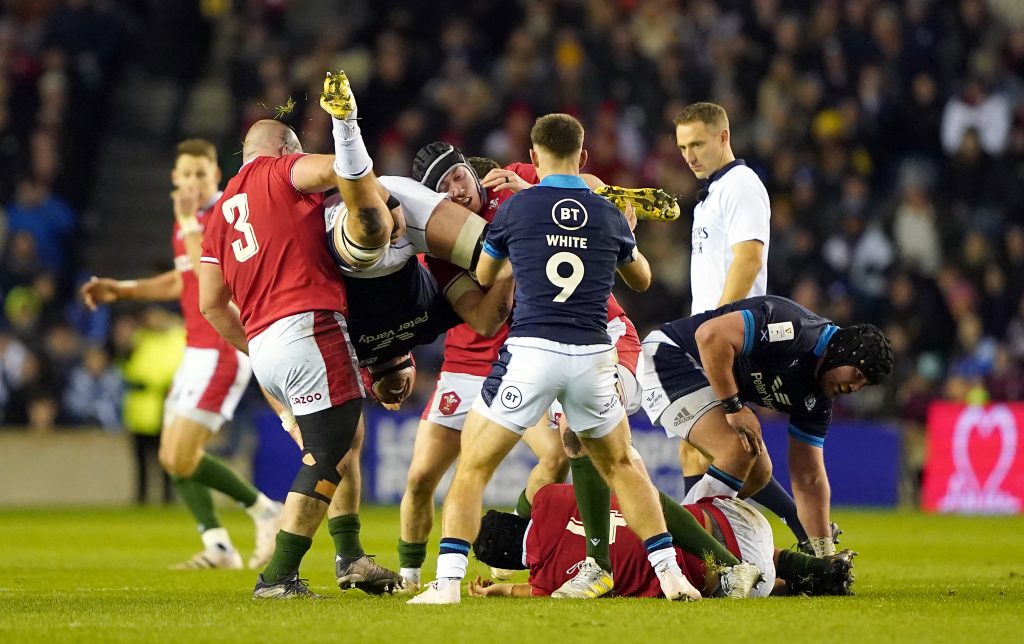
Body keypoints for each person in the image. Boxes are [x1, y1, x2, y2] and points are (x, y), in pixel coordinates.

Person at [409, 113, 760, 604]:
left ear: (531, 158)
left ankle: (450, 583)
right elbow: (641, 278)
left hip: (544, 348)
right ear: (584, 156)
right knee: (610, 459)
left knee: (478, 466)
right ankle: (660, 573)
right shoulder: (605, 210)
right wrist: (617, 237)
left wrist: (520, 253)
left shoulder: (516, 206)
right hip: (595, 351)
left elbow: (486, 276)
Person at [398, 143, 650, 598]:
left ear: (475, 175)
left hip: (546, 349)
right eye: (443, 187)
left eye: (459, 177)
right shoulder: (435, 243)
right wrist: (520, 249)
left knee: (567, 453)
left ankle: (527, 549)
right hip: (473, 362)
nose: (456, 191)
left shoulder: (515, 183)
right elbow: (483, 319)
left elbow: (587, 188)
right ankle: (410, 575)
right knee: (421, 478)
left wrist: (530, 193)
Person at [198, 74, 404, 598]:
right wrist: (379, 198)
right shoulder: (281, 169)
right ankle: (278, 576)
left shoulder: (219, 214)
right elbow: (339, 169)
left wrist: (256, 343)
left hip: (266, 345)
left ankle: (351, 556)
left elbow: (210, 304)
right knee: (330, 447)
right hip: (308, 323)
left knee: (347, 440)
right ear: (283, 149)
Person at [80, 139, 282, 570]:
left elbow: (210, 277)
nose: (192, 181)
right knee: (171, 455)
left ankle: (265, 510)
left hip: (223, 347)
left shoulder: (227, 212)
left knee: (180, 455)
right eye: (185, 174)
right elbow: (183, 280)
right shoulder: (185, 223)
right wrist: (122, 289)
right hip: (195, 350)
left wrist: (189, 220)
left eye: (200, 174)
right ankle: (219, 546)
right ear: (174, 177)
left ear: (216, 176)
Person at [638, 295, 894, 557]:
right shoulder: (796, 330)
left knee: (759, 471)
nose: (854, 388)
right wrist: (734, 406)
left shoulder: (819, 399)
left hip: (702, 378)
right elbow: (709, 335)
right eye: (858, 375)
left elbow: (809, 477)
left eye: (864, 385)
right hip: (670, 357)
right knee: (738, 448)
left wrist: (824, 552)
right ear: (844, 352)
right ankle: (676, 551)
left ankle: (677, 543)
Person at [675, 102, 812, 550]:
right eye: (682, 147)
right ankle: (806, 534)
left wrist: (717, 326)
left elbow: (749, 256)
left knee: (718, 448)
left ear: (723, 137)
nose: (689, 156)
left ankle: (701, 548)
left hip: (726, 336)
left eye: (697, 143)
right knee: (717, 450)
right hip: (714, 334)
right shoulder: (712, 194)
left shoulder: (741, 185)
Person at [469, 482, 857, 599]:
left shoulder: (549, 581)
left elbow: (524, 589)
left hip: (734, 585)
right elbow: (536, 484)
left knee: (696, 571)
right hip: (741, 519)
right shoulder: (549, 499)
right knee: (672, 507)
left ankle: (792, 584)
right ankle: (813, 567)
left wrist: (494, 591)